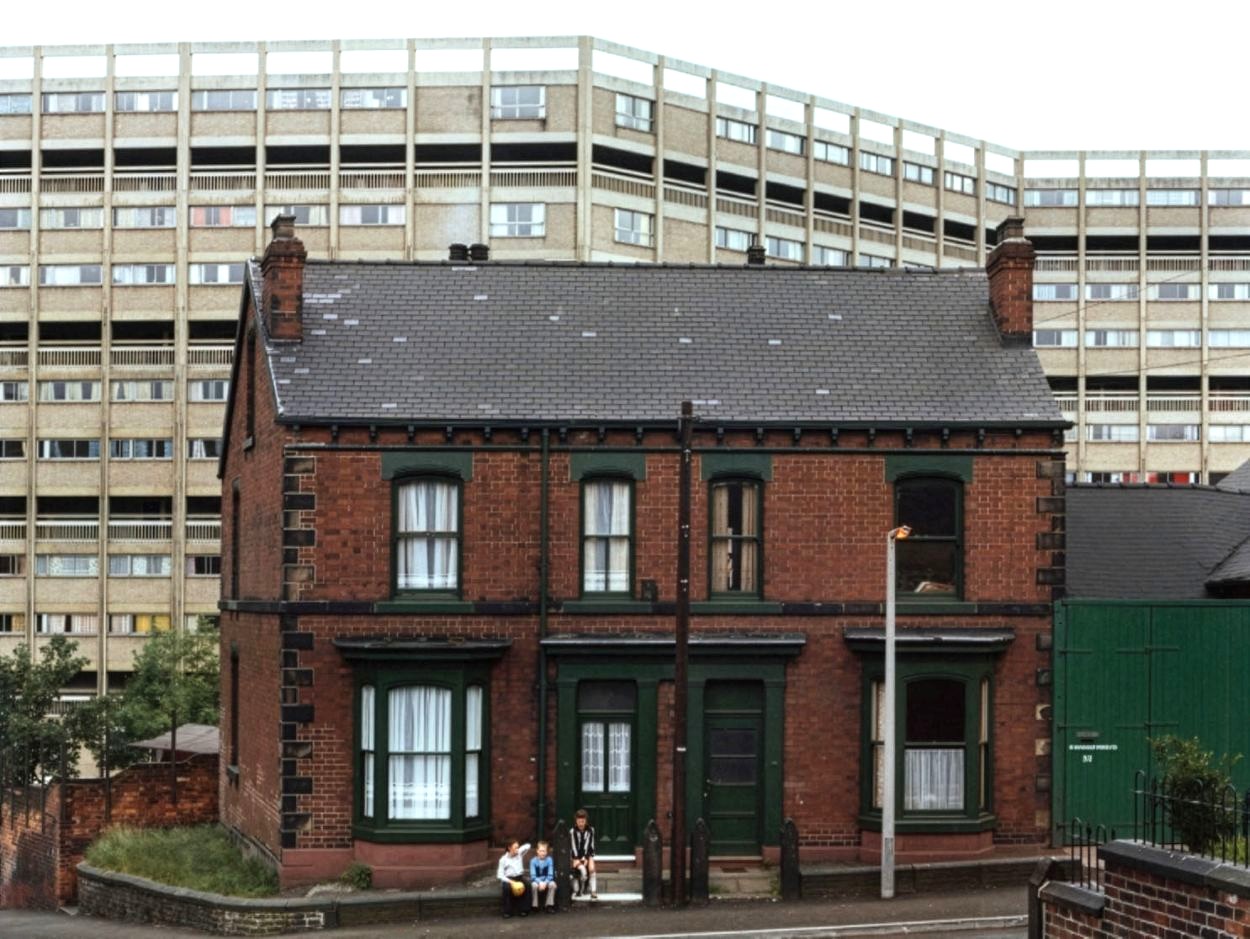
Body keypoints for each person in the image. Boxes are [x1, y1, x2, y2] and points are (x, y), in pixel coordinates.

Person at [497, 839, 531, 918]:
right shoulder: (503, 860)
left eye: (518, 847)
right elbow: (500, 875)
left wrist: (518, 850)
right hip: (509, 879)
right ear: (509, 848)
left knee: (527, 885)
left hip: (519, 877)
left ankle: (524, 910)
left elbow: (528, 846)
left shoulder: (519, 854)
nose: (517, 849)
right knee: (506, 888)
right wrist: (511, 882)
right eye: (515, 847)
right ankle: (507, 912)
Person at [569, 808, 597, 900]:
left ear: (586, 821)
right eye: (579, 821)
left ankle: (593, 890)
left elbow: (590, 845)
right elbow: (573, 846)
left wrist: (586, 858)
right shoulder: (572, 831)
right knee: (582, 869)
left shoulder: (591, 830)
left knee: (591, 869)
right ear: (576, 821)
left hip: (588, 855)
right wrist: (577, 858)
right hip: (576, 856)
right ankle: (579, 888)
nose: (581, 823)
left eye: (583, 821)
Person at [530, 840, 557, 913]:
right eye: (541, 851)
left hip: (546, 880)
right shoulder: (533, 861)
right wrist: (540, 882)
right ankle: (534, 906)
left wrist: (545, 882)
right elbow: (533, 876)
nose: (543, 853)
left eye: (544, 851)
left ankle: (549, 905)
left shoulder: (549, 860)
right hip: (537, 881)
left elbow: (550, 875)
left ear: (547, 852)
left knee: (552, 884)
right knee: (533, 885)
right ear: (537, 851)